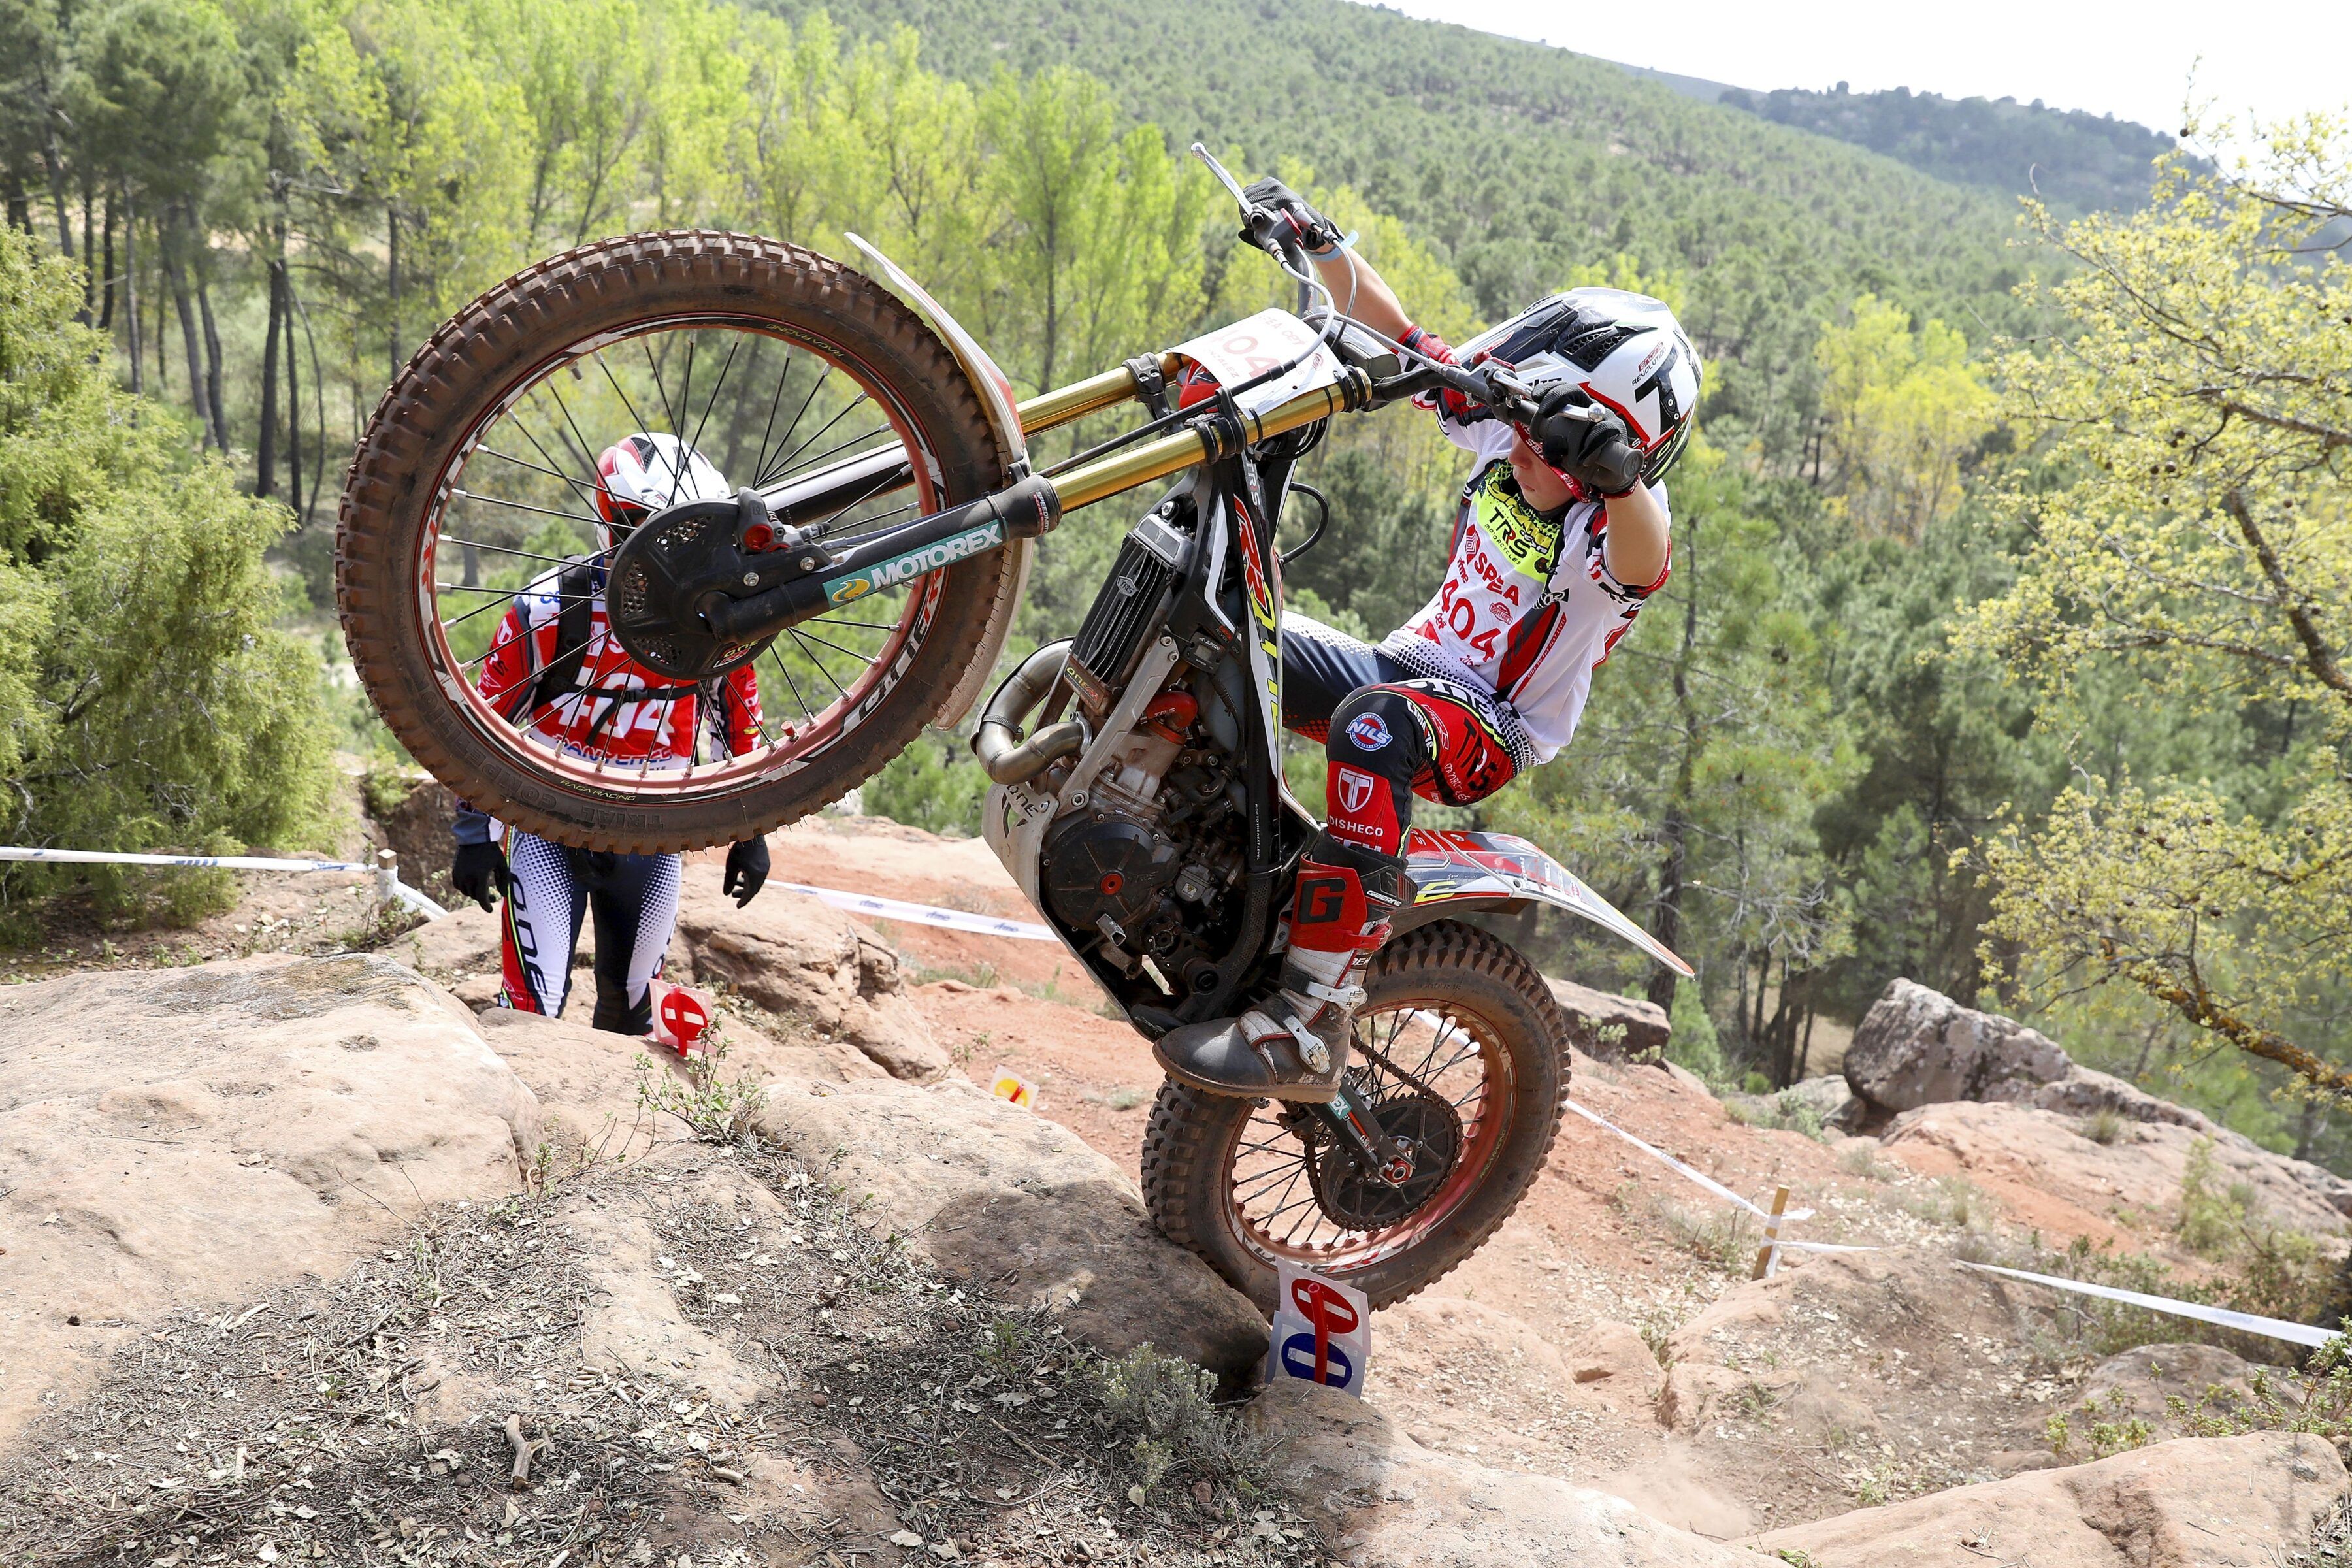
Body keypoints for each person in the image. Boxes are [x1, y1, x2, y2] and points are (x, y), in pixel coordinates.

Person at [1156, 180, 1702, 1100]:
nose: (1524, 450)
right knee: (1218, 628)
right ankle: (1184, 865)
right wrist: (1319, 245)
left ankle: (1312, 1017)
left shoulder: (1613, 532)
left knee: (1376, 728)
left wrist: (1617, 479)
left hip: (1487, 726)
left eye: (1553, 447)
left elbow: (1649, 561)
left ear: (1614, 458)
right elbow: (1407, 339)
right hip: (1404, 671)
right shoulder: (1508, 437)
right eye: (1526, 429)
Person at [449, 433, 773, 1036]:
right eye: (642, 528)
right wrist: (475, 832)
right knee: (530, 1013)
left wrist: (750, 834)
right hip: (550, 826)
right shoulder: (548, 609)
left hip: (652, 837)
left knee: (633, 1018)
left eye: (687, 534)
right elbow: (484, 724)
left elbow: (741, 721)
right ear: (610, 521)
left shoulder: (719, 618)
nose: (666, 553)